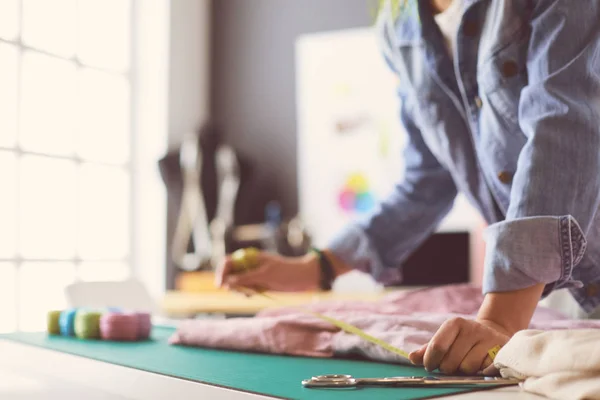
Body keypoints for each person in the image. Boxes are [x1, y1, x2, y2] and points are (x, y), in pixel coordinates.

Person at [217, 0, 600, 375]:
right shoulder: (398, 26)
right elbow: (427, 180)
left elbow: (566, 128)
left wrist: (501, 318)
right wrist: (318, 266)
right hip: (566, 301)